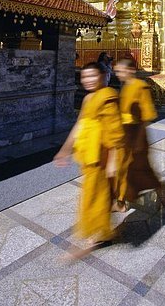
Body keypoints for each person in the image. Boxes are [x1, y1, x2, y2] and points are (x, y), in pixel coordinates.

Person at [53, 62, 124, 260]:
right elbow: (80, 125)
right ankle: (99, 229)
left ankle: (100, 234)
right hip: (89, 153)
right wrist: (64, 150)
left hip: (104, 154)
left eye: (93, 76)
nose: (88, 80)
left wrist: (113, 160)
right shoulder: (88, 99)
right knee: (92, 192)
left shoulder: (109, 96)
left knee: (97, 194)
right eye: (85, 76)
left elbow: (115, 131)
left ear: (103, 76)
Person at [114, 58, 163, 211]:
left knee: (140, 169)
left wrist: (139, 140)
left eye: (120, 71)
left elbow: (145, 117)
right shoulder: (126, 87)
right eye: (117, 72)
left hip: (136, 134)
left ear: (131, 70)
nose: (118, 74)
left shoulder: (141, 87)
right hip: (124, 134)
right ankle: (121, 201)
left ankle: (160, 189)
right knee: (122, 169)